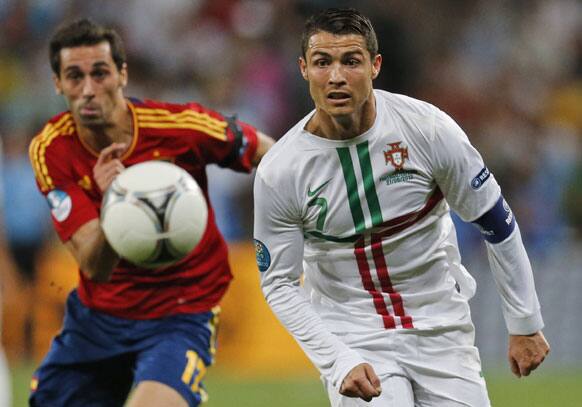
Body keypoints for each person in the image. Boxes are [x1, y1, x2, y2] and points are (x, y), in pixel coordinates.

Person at [253, 8, 549, 406]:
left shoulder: (427, 130)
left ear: (375, 66)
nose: (336, 76)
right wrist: (336, 359)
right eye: (323, 62)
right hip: (352, 334)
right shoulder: (281, 171)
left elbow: (496, 221)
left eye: (351, 61)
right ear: (304, 69)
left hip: (441, 328)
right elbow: (279, 283)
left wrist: (525, 321)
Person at [29, 18, 274, 407]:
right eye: (75, 76)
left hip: (182, 313)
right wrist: (117, 203)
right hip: (98, 320)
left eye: (100, 73)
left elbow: (268, 152)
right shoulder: (52, 150)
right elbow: (95, 265)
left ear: (122, 74)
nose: (89, 89)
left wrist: (295, 223)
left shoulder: (179, 126)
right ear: (58, 84)